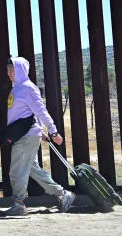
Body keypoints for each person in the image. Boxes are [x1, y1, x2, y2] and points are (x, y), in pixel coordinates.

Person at [4, 57, 75, 216]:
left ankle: (18, 204)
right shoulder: (17, 88)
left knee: (17, 170)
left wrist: (53, 130)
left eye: (12, 69)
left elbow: (40, 110)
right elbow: (27, 114)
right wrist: (39, 130)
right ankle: (63, 194)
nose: (9, 72)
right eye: (8, 69)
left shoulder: (27, 88)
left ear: (21, 70)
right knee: (33, 170)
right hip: (25, 134)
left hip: (26, 137)